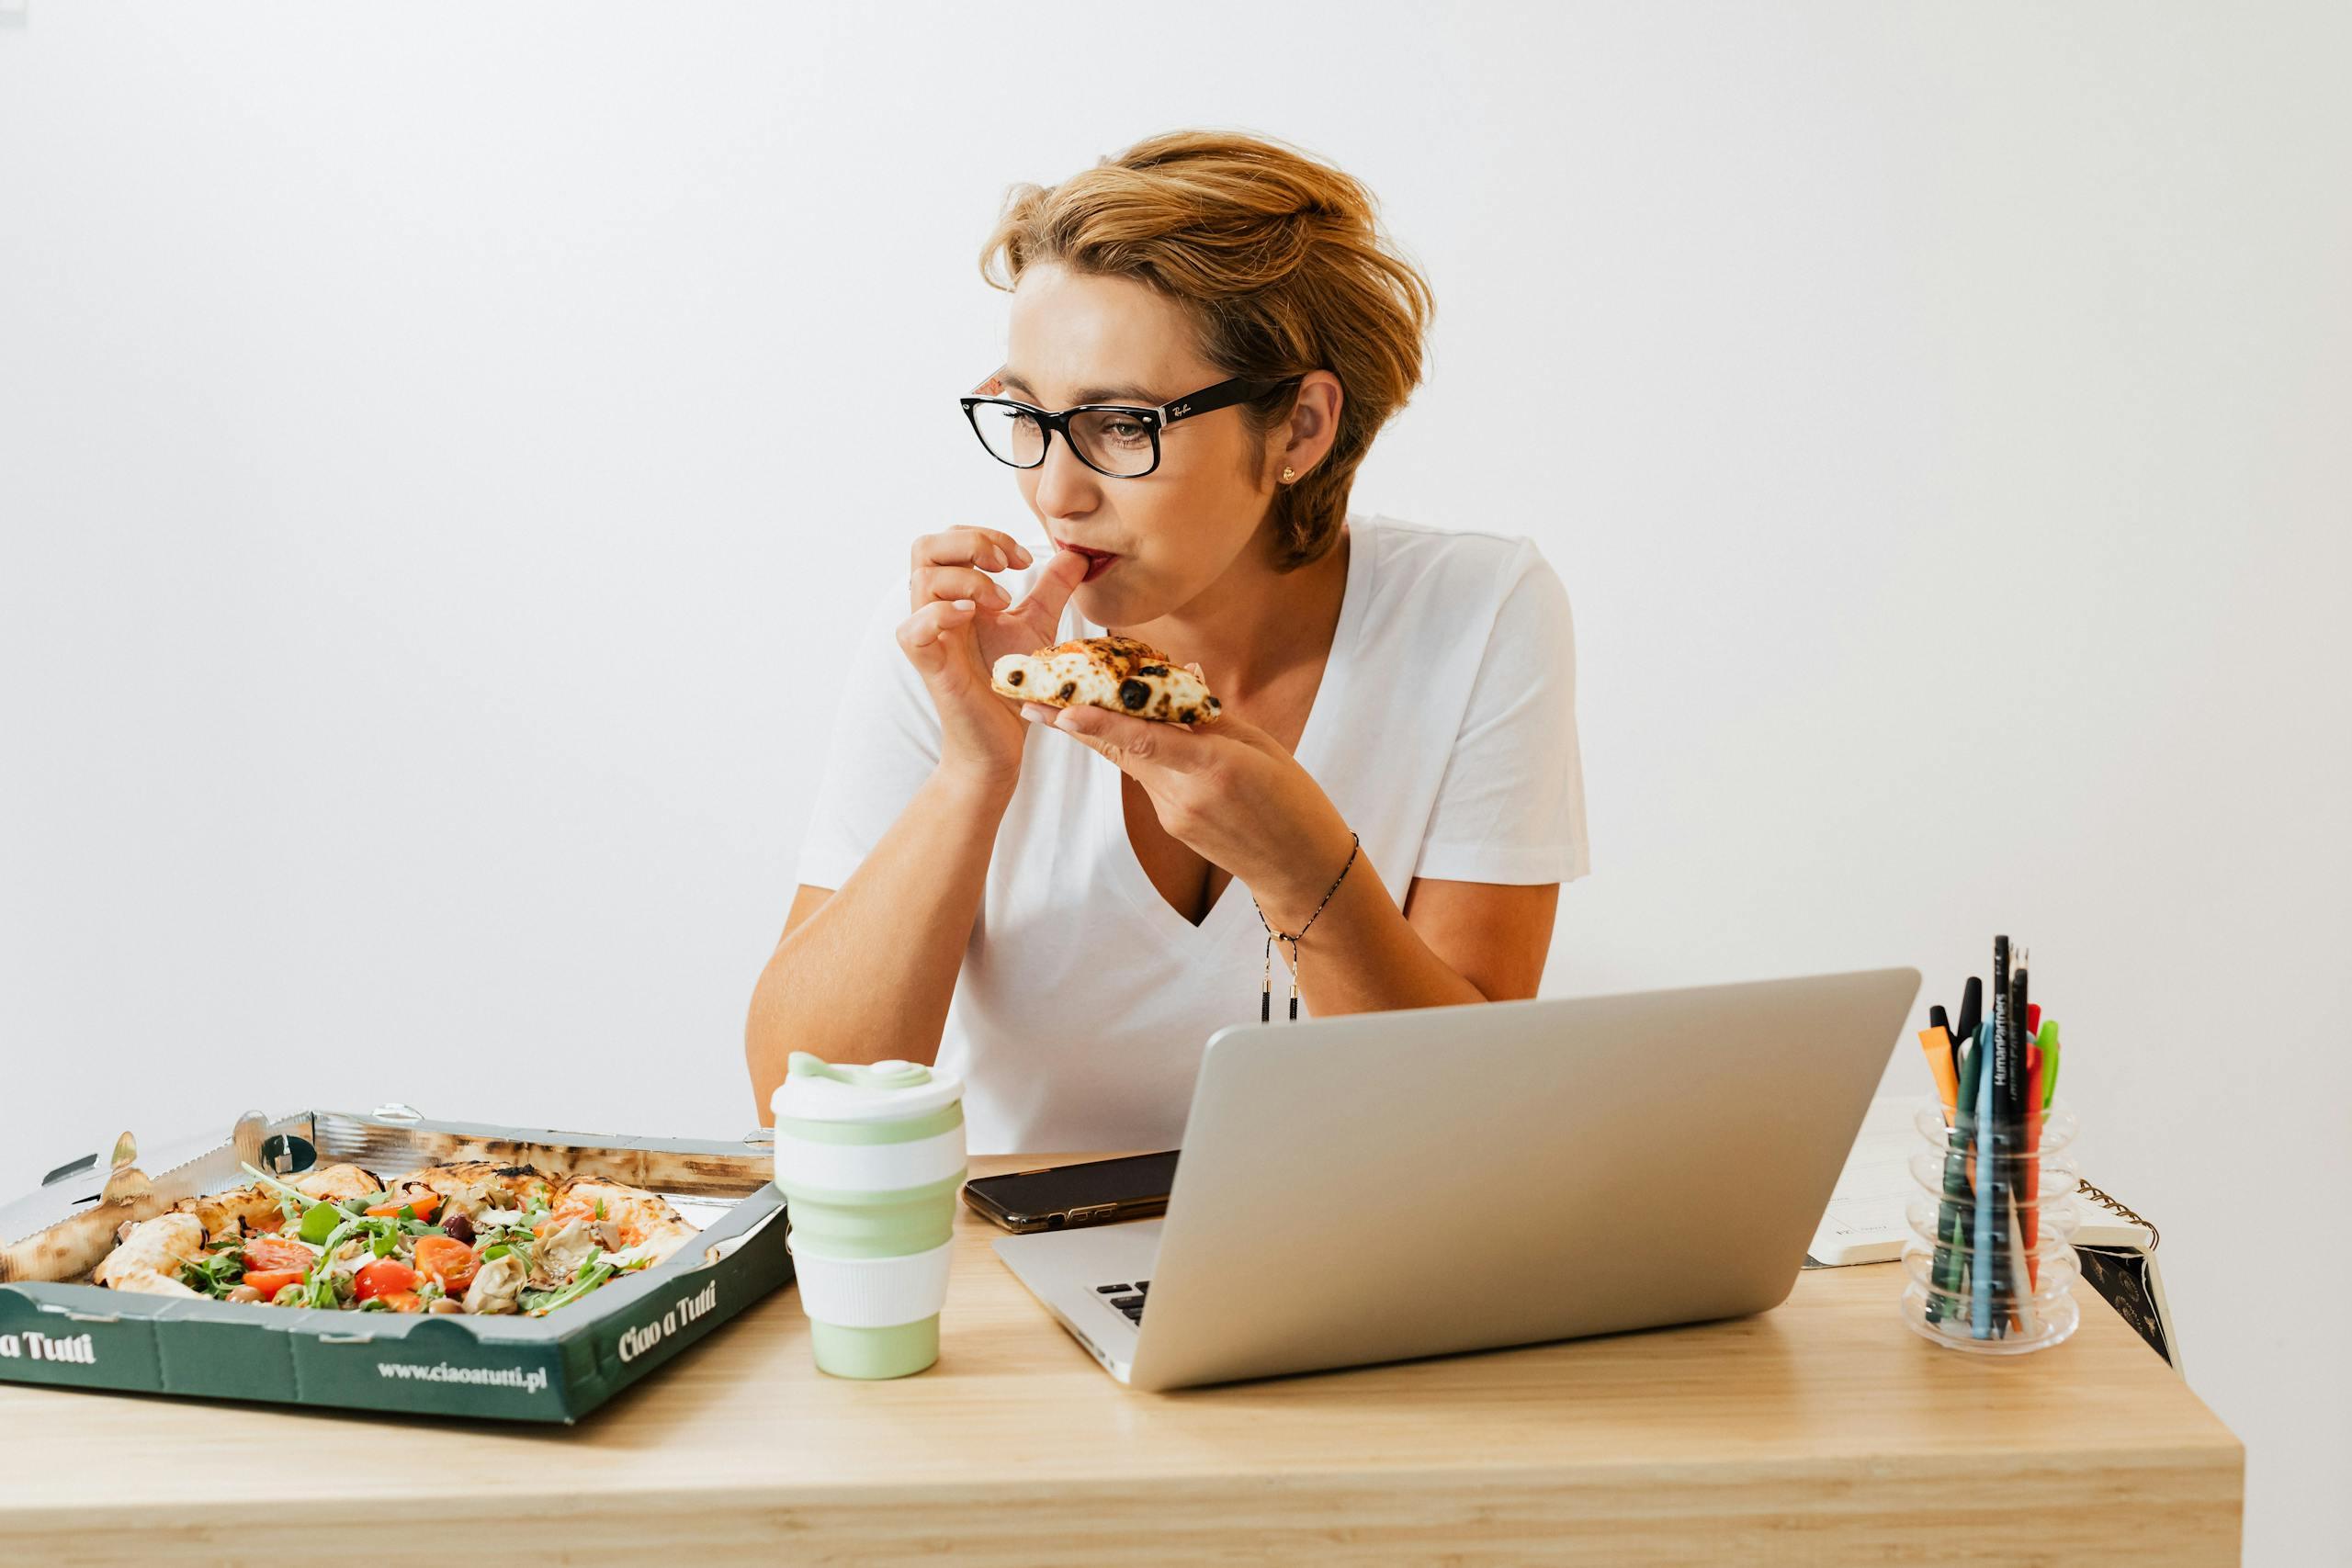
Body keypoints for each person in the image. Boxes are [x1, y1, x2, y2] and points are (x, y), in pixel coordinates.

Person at [745, 130, 1588, 1154]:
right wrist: (974, 772)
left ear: (1300, 430)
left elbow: (1470, 1129)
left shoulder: (1475, 613)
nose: (1055, 493)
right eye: (1026, 416)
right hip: (1012, 1271)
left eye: (1121, 425)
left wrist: (1305, 870)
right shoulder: (953, 636)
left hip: (1352, 1268)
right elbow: (799, 1104)